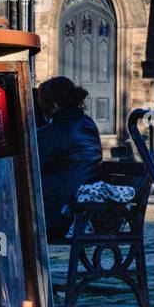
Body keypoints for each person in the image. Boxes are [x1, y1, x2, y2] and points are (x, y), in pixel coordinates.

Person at [35, 76, 104, 239]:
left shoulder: (59, 129)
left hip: (60, 211)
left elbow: (34, 160)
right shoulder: (86, 122)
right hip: (73, 202)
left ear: (54, 105)